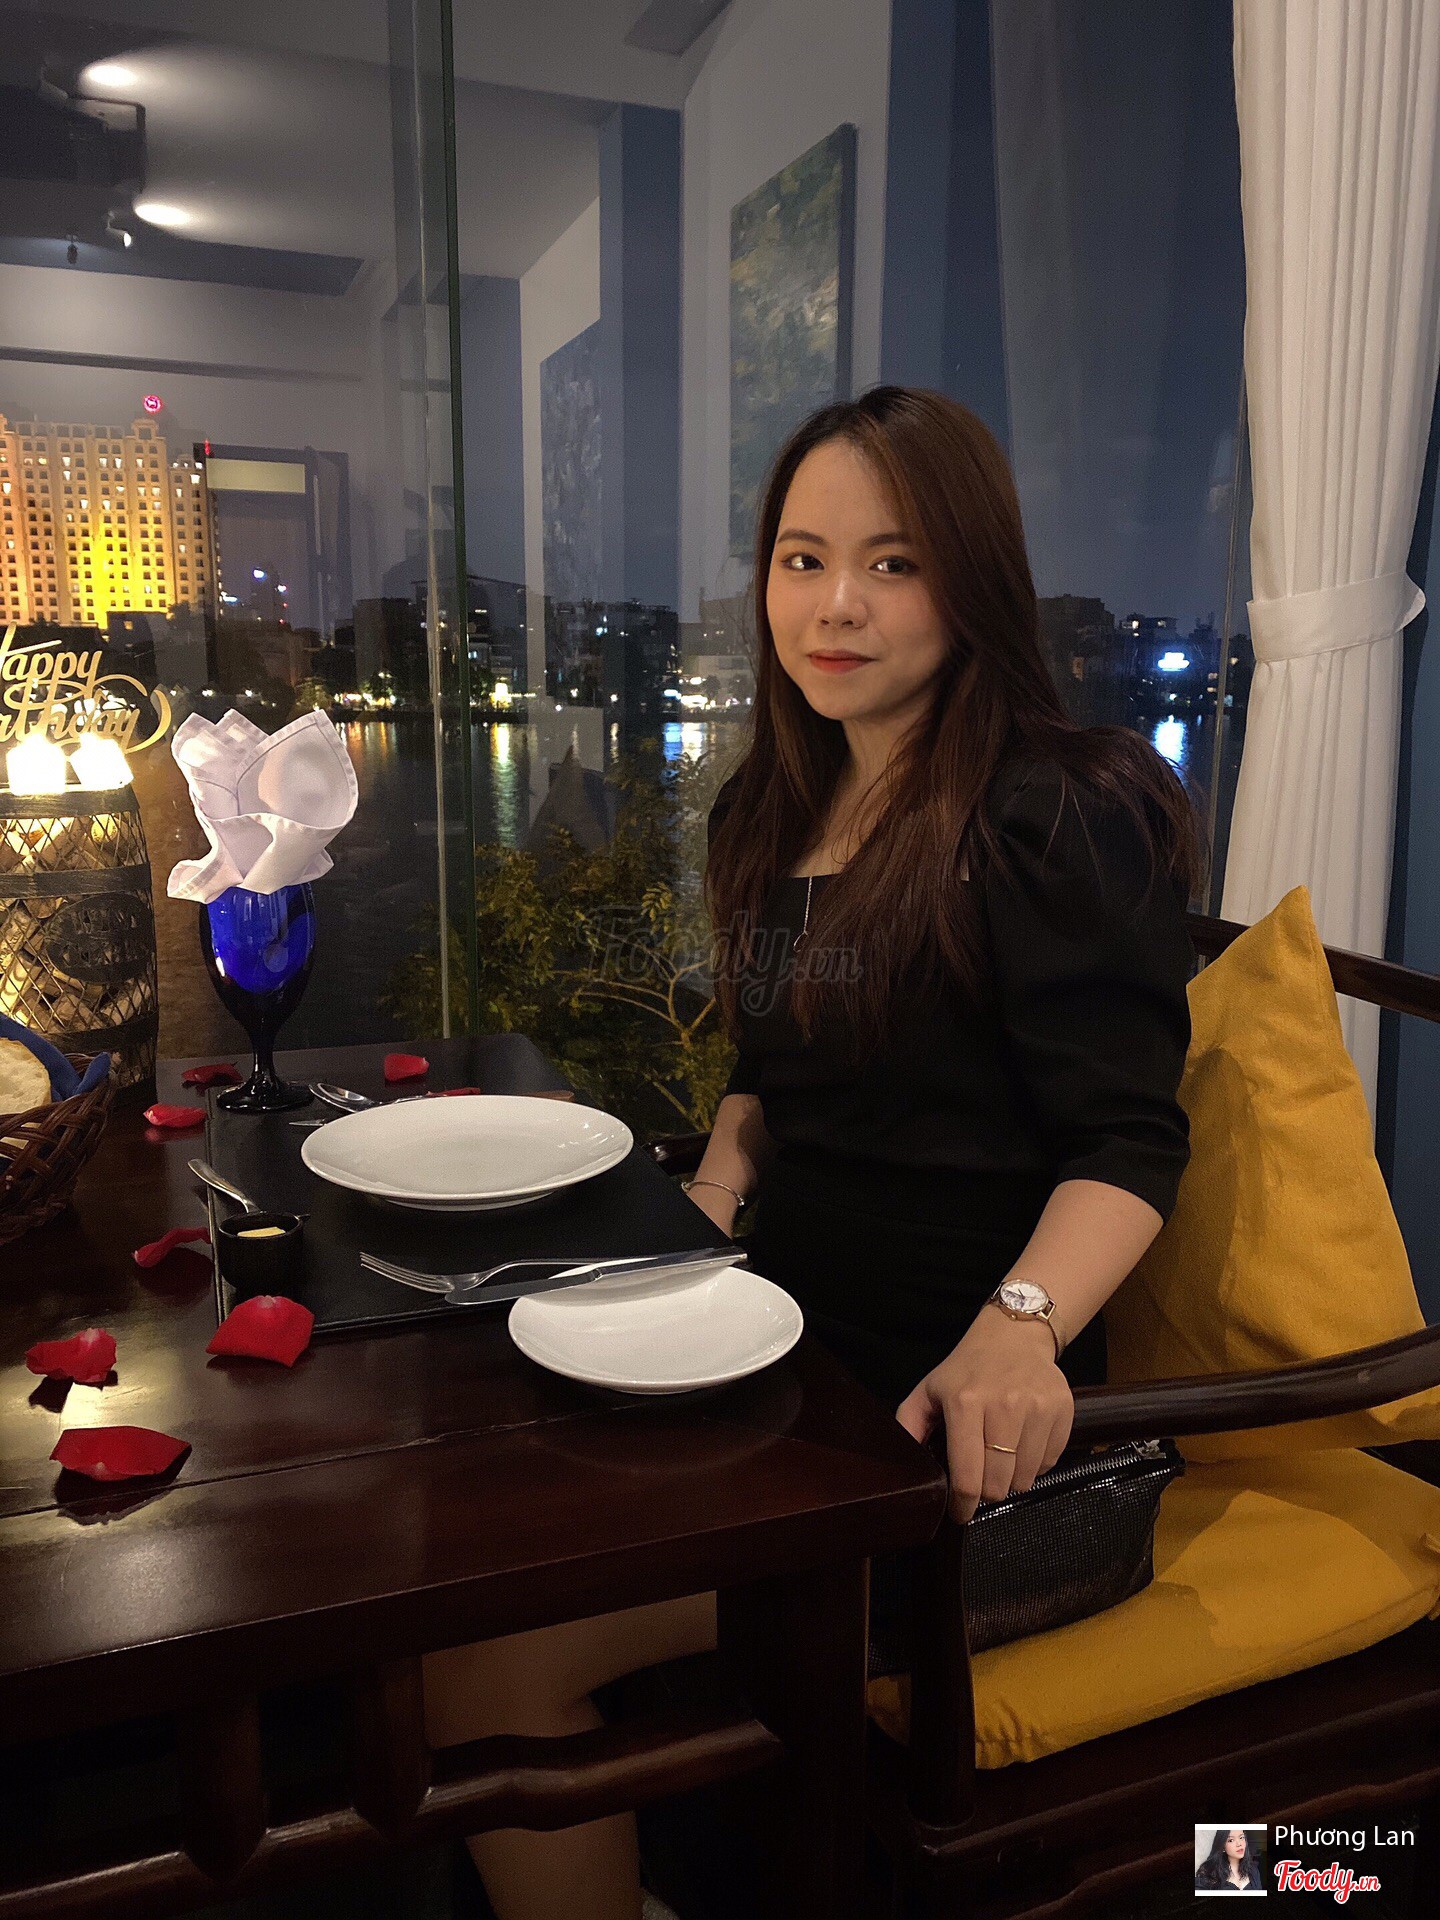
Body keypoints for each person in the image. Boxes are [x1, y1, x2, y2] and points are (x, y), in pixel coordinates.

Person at [422, 384, 1204, 1920]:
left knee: (486, 1656)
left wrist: (1021, 1329)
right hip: (784, 1375)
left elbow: (1129, 1137)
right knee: (467, 1521)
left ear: (972, 583)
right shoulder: (773, 809)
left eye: (894, 563)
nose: (837, 604)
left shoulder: (1053, 810)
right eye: (803, 558)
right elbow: (778, 1076)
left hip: (972, 1452)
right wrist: (717, 1182)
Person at [1194, 1827, 1266, 1891]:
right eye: (1231, 1840)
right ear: (1222, 1846)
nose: (1239, 1844)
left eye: (1241, 1837)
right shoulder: (1209, 1873)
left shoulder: (1253, 1870)